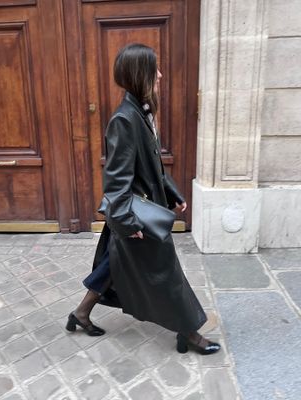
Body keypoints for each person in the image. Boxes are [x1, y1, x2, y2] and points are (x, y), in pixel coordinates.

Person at [66, 43, 220, 355]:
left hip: (140, 208)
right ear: (140, 75)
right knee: (166, 272)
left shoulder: (142, 112)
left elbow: (151, 164)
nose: (160, 75)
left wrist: (173, 192)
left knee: (115, 263)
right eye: (155, 69)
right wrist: (125, 222)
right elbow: (117, 178)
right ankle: (189, 332)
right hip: (136, 215)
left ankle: (81, 314)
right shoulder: (125, 119)